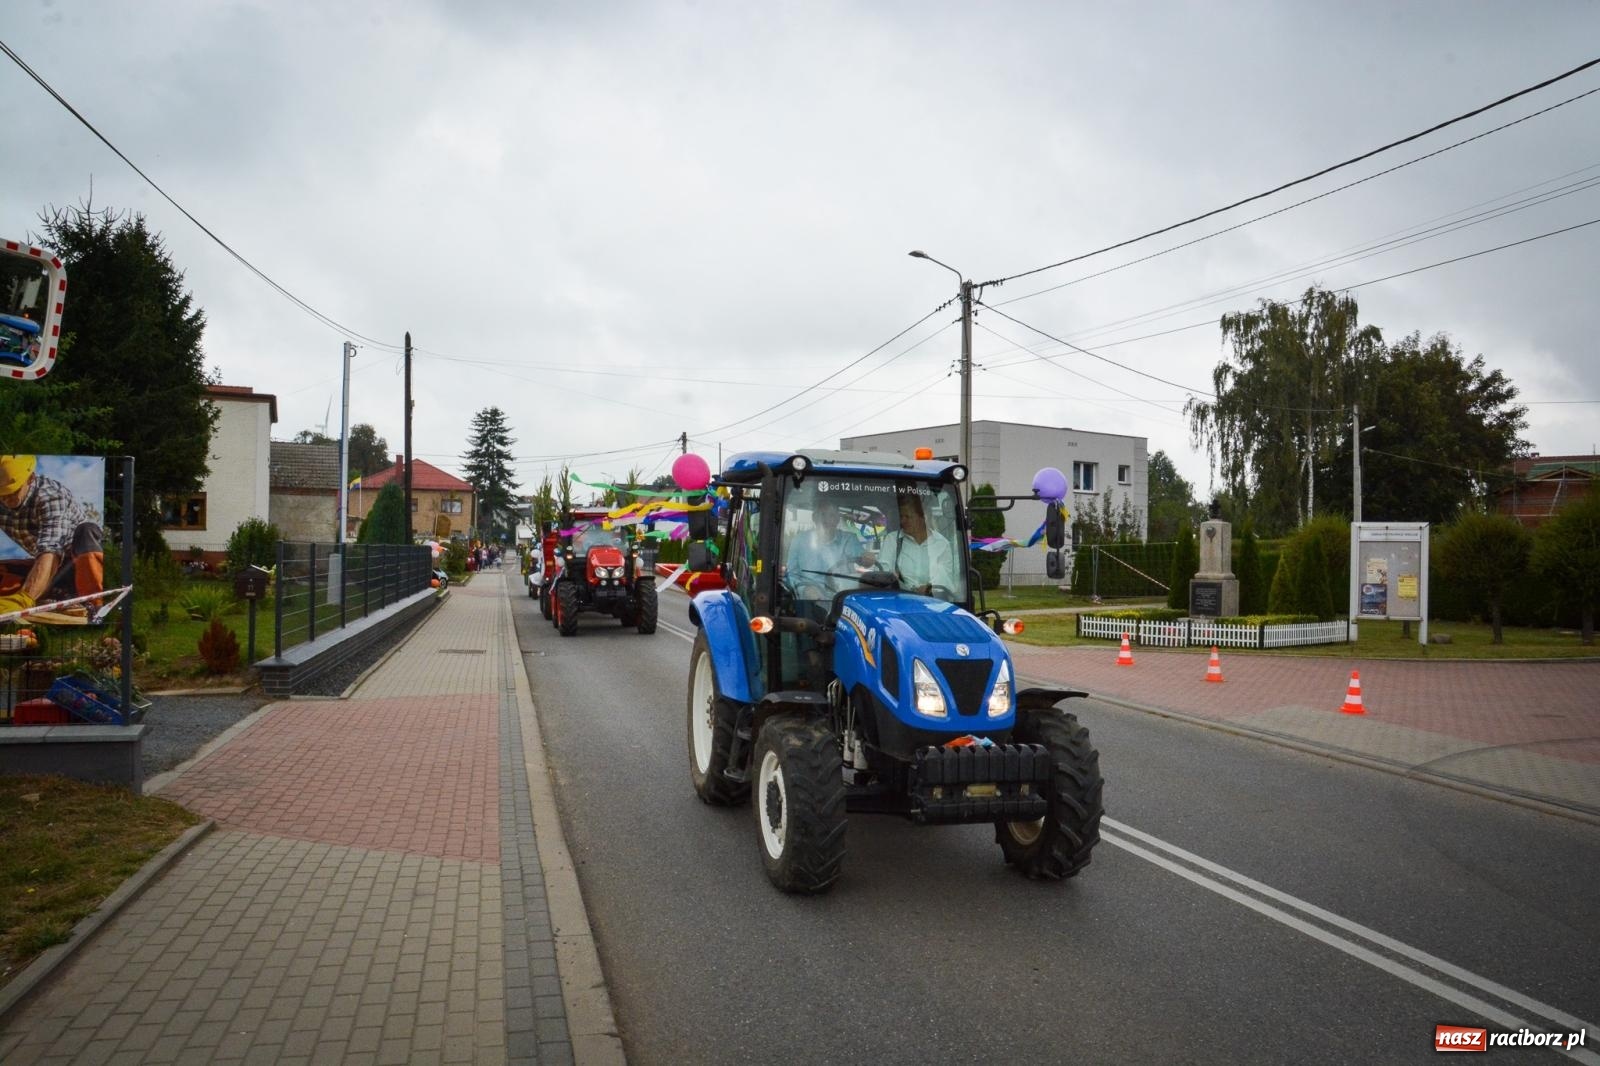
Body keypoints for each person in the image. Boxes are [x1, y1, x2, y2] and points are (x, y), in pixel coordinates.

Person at [0, 455, 104, 618]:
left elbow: (51, 550)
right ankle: (55, 594)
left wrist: (24, 599)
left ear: (30, 479)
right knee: (4, 570)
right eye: (2, 495)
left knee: (87, 530)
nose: (6, 500)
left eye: (12, 492)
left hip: (74, 562)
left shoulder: (50, 496)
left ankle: (95, 605)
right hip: (46, 568)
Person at [876, 489, 956, 596]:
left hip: (933, 601)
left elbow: (946, 578)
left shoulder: (941, 544)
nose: (902, 521)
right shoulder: (892, 540)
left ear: (923, 517)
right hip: (898, 600)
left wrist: (930, 587)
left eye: (908, 517)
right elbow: (882, 572)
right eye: (901, 517)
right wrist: (893, 579)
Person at [785, 496, 865, 601]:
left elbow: (864, 560)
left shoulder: (849, 539)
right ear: (814, 518)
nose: (826, 520)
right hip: (809, 603)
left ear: (837, 519)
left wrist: (867, 558)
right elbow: (791, 574)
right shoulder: (799, 540)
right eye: (822, 515)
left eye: (831, 515)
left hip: (843, 600)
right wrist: (804, 589)